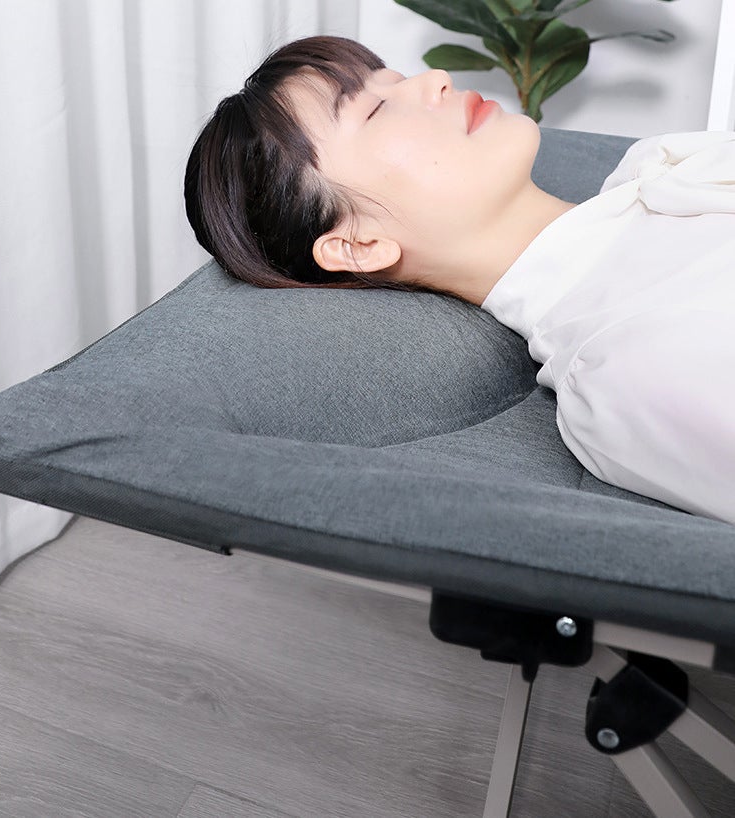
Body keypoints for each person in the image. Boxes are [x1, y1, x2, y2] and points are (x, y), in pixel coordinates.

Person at [185, 35, 735, 526]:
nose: (436, 79)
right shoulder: (621, 368)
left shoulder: (662, 165)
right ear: (359, 244)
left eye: (396, 78)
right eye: (375, 109)